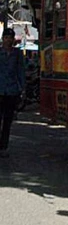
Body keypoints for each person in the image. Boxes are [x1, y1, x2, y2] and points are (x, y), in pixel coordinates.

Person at [0, 28, 24, 157]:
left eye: (10, 37)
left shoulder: (17, 54)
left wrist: (22, 88)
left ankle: (4, 147)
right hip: (0, 89)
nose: (8, 40)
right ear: (3, 39)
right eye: (6, 37)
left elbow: (20, 71)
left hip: (11, 90)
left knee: (7, 120)